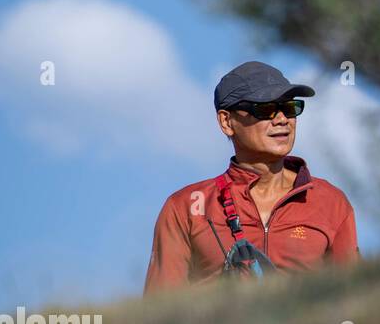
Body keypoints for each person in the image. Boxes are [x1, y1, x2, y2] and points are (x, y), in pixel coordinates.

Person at [144, 61, 359, 293]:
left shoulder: (331, 201)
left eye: (289, 108)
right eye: (265, 109)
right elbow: (160, 307)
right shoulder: (185, 207)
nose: (281, 119)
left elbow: (356, 296)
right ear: (226, 122)